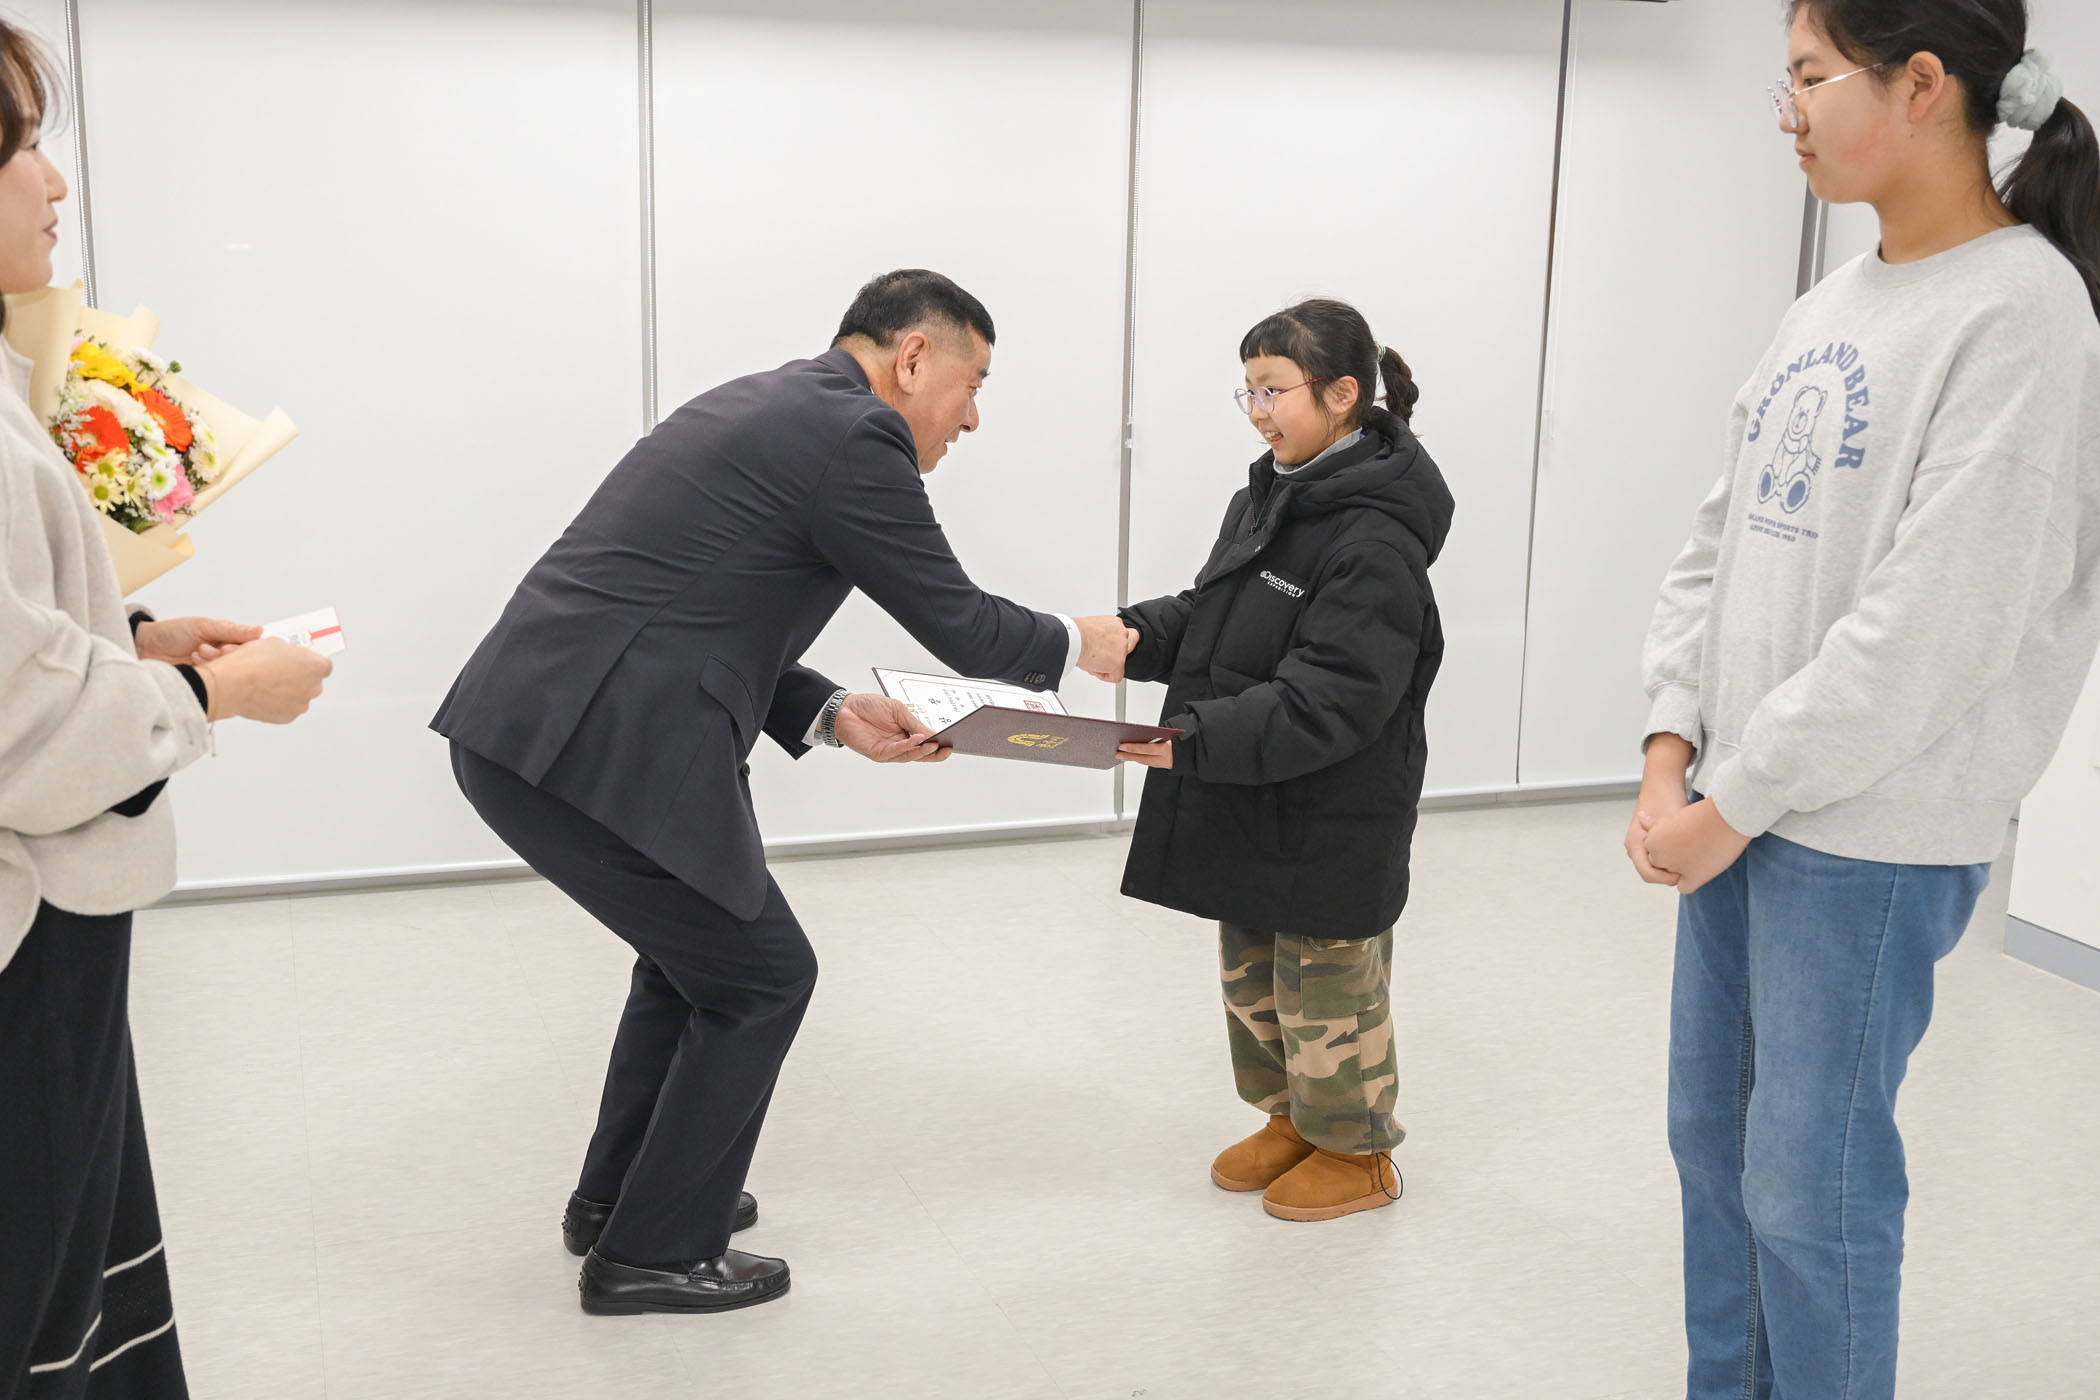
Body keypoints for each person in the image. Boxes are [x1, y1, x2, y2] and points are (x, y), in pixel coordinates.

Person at [435, 268, 1133, 1315]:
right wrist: (1083, 641)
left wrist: (833, 711)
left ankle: (625, 1198)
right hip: (595, 744)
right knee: (763, 977)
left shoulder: (769, 404)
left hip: (549, 726)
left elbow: (697, 602)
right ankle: (652, 1254)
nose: (972, 418)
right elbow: (965, 625)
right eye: (974, 383)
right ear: (913, 358)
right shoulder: (857, 435)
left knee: (694, 965)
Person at [1630, 4, 2100, 1395]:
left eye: (1809, 76)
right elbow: (1714, 543)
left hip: (1867, 834)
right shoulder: (1829, 304)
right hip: (1738, 801)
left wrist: (1729, 798)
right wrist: (1670, 745)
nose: (1788, 111)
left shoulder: (2024, 314)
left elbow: (1931, 631)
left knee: (1808, 1183)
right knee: (1712, 1145)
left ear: (1922, 83)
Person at [0, 23, 333, 1397]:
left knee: (79, 1251)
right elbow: (19, 726)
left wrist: (133, 636)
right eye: (23, 149)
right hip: (24, 923)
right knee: (37, 1283)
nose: (53, 184)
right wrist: (210, 693)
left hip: (52, 917)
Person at [1115, 298, 1453, 1223]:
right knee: (1255, 972)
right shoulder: (1271, 492)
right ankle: (1290, 1119)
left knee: (1325, 986)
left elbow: (1335, 696)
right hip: (1252, 784)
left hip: (1332, 807)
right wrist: (1133, 637)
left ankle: (1356, 1149)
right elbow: (1218, 613)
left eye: (1274, 391)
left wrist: (1193, 739)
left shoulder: (1375, 540)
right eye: (1249, 392)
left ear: (1341, 395)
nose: (1258, 412)